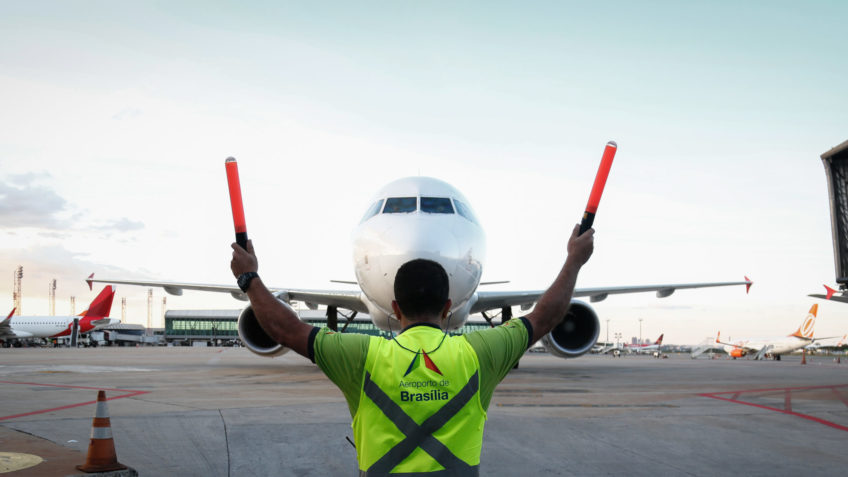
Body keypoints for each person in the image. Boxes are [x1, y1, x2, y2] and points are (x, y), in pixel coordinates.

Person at [230, 224, 594, 476]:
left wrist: (249, 279)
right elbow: (546, 316)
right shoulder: (479, 353)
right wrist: (574, 259)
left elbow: (285, 328)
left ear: (396, 307)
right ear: (448, 306)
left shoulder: (362, 357)